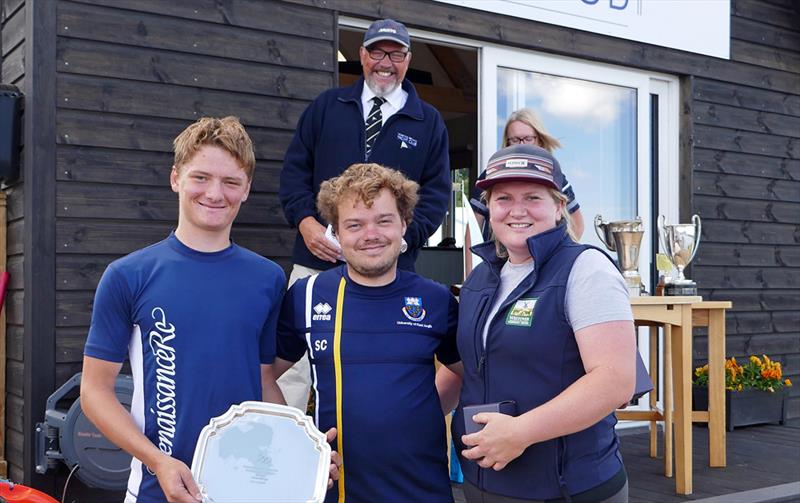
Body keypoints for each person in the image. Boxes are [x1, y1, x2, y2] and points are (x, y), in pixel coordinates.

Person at [80, 117, 338, 503]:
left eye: (231, 182)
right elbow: (94, 391)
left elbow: (264, 380)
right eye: (200, 178)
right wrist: (158, 461)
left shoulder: (267, 279)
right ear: (175, 179)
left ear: (247, 189)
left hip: (247, 489)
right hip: (157, 488)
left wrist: (303, 454)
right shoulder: (129, 275)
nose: (215, 193)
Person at [278, 17, 451, 410]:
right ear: (361, 55)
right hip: (315, 262)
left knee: (378, 363)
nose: (385, 61)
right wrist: (306, 224)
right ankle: (286, 461)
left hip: (390, 272)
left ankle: (374, 444)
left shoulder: (429, 123)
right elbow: (293, 176)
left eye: (396, 53)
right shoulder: (326, 107)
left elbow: (437, 195)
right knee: (292, 370)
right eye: (377, 51)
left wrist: (400, 243)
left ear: (408, 59)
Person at [448, 144, 636, 502]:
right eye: (503, 198)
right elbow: (464, 370)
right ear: (489, 208)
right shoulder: (479, 279)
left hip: (568, 488)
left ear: (559, 206)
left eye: (532, 197)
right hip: (484, 485)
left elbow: (615, 380)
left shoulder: (586, 270)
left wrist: (521, 432)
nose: (517, 211)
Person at [274, 163, 463, 503]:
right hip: (341, 491)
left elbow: (469, 373)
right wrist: (295, 439)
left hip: (424, 491)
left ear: (404, 224)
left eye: (383, 220)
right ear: (336, 231)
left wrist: (424, 409)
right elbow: (262, 373)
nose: (370, 234)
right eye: (354, 224)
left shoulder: (436, 300)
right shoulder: (307, 295)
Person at [499, 108, 585, 239]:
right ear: (507, 142)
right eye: (515, 140)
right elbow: (473, 225)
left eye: (528, 138)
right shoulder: (493, 175)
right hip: (502, 257)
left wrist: (561, 256)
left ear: (539, 140)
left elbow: (577, 224)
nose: (522, 145)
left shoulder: (554, 175)